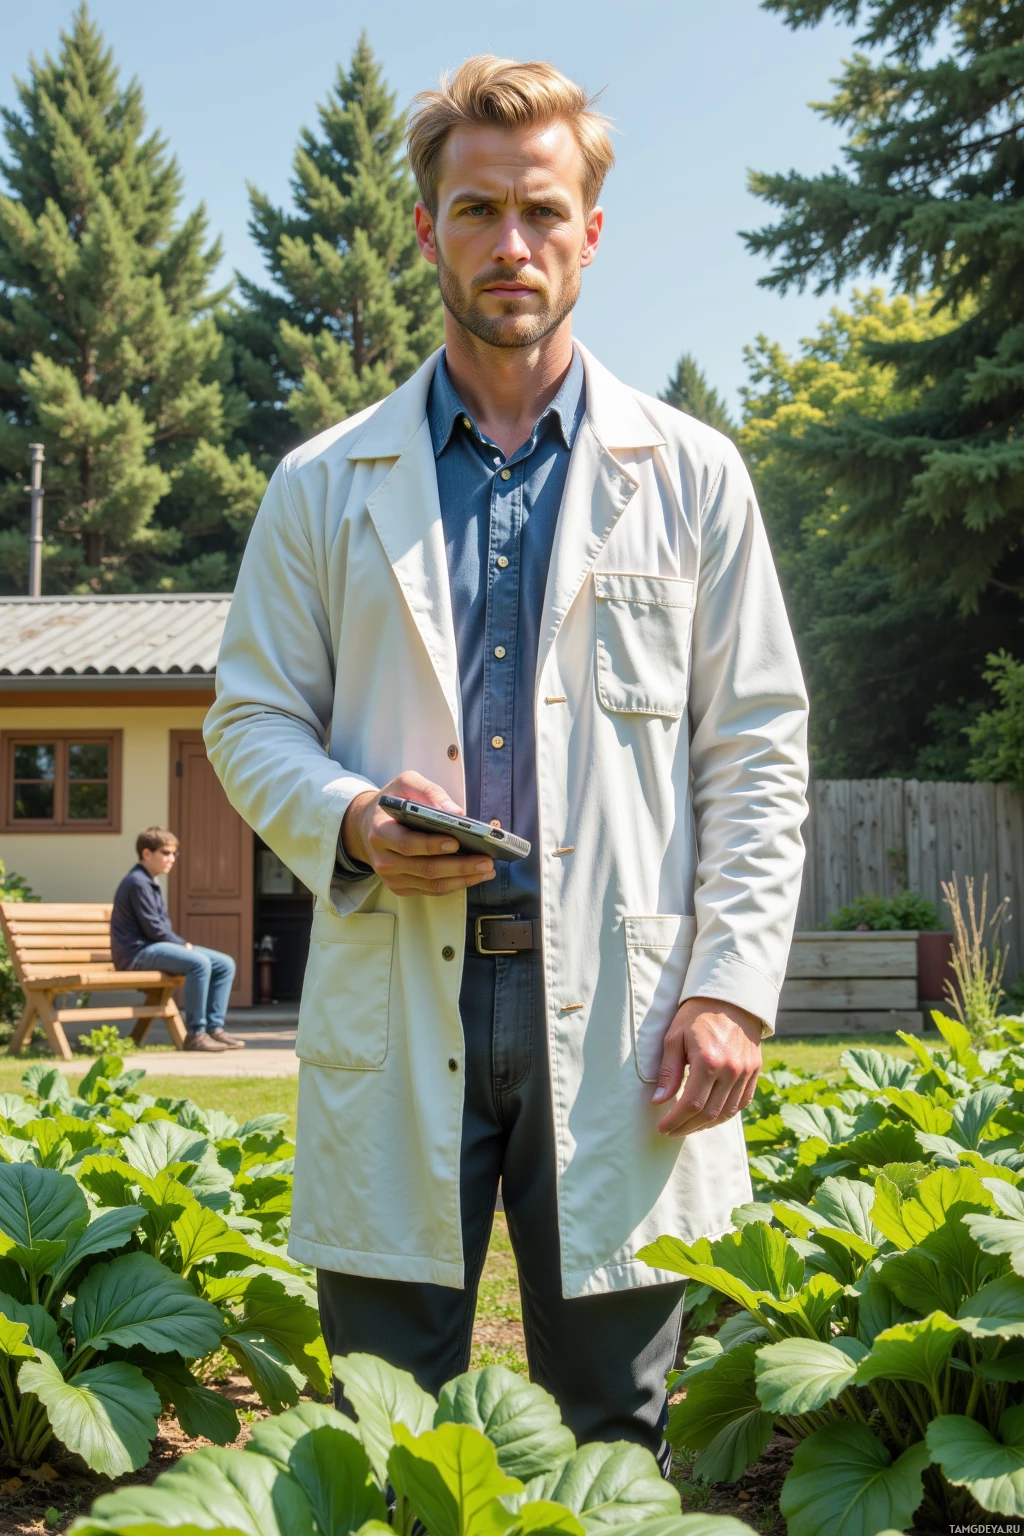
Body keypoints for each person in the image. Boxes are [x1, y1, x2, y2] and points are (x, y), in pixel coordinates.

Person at [205, 56, 808, 1464]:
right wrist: (353, 819)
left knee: (614, 1423)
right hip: (397, 983)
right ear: (427, 229)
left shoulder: (695, 475)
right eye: (476, 210)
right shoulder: (320, 485)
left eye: (543, 210)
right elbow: (248, 718)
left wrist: (727, 988)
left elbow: (760, 747)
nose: (512, 244)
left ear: (593, 229)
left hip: (623, 1008)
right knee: (386, 1423)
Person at [110, 827, 243, 1053]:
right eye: (165, 853)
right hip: (136, 954)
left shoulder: (150, 880)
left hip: (154, 948)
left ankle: (215, 1029)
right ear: (146, 853)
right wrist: (183, 945)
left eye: (174, 854)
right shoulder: (137, 883)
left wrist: (180, 944)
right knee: (198, 963)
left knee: (225, 964)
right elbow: (154, 930)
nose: (171, 859)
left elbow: (159, 929)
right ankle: (196, 1034)